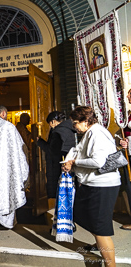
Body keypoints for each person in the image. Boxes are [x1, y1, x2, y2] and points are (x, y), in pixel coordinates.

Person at [63, 106, 120, 267]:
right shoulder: (91, 132)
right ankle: (99, 242)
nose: (74, 127)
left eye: (75, 123)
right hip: (93, 183)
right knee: (82, 214)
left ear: (86, 121)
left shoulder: (96, 133)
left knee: (100, 227)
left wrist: (74, 162)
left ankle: (110, 264)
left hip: (102, 185)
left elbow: (98, 161)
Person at [37, 111, 76, 199]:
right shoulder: (68, 129)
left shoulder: (58, 131)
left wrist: (40, 142)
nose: (50, 126)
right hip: (66, 162)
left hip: (57, 166)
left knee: (57, 193)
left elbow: (52, 151)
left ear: (53, 121)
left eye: (50, 123)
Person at [119, 88, 131, 231]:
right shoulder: (128, 114)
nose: (127, 96)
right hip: (128, 153)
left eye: (130, 93)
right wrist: (124, 141)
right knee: (128, 186)